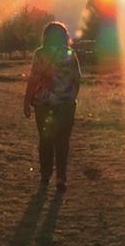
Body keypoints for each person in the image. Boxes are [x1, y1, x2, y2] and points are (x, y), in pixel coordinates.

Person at [23, 22, 81, 191]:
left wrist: (27, 101)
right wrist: (70, 97)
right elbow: (76, 79)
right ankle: (61, 178)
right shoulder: (70, 54)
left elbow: (33, 79)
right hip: (65, 105)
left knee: (45, 140)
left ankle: (45, 175)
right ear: (65, 36)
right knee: (62, 142)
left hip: (43, 105)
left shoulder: (40, 54)